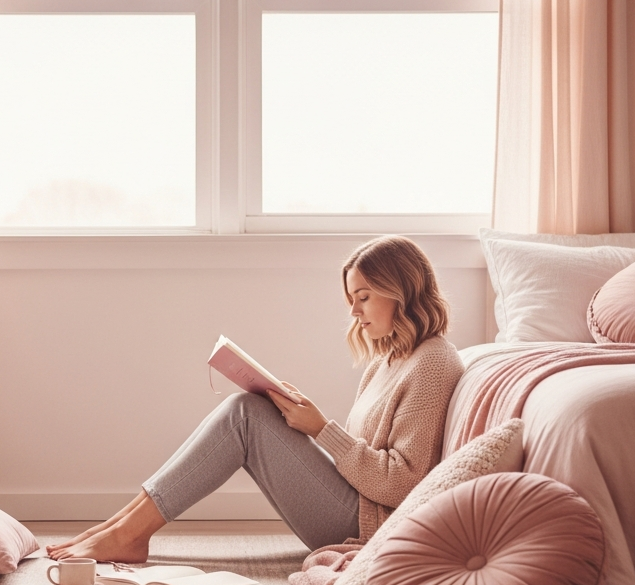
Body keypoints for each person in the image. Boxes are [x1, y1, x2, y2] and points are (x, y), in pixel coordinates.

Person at [47, 235, 466, 563]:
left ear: (401, 289)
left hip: (368, 523)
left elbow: (403, 484)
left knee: (244, 414)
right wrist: (302, 416)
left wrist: (322, 429)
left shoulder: (432, 363)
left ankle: (127, 535)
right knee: (249, 409)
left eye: (364, 297)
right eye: (351, 299)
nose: (355, 312)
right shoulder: (388, 360)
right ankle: (116, 528)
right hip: (357, 503)